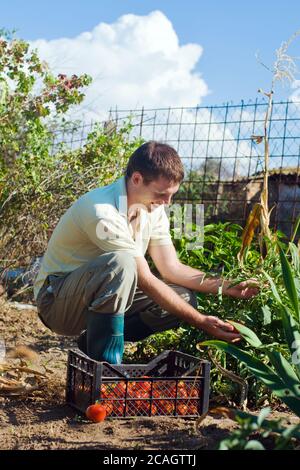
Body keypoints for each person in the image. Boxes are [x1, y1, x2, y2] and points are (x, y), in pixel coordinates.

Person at [34, 141, 259, 364]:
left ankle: (92, 345)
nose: (167, 202)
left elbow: (172, 268)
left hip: (100, 297)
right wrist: (201, 321)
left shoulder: (154, 208)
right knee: (121, 262)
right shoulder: (102, 210)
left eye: (172, 195)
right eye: (161, 193)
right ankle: (106, 367)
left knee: (184, 299)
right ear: (137, 179)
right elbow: (144, 278)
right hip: (57, 303)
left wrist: (227, 286)